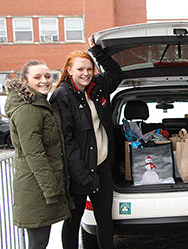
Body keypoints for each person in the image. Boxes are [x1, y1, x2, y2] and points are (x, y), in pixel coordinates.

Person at [49, 36, 123, 249]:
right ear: (69, 70)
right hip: (78, 170)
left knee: (105, 221)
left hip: (101, 165)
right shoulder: (62, 95)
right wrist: (82, 175)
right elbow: (67, 140)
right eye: (80, 69)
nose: (86, 74)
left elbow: (117, 74)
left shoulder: (97, 87)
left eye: (89, 69)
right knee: (73, 221)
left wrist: (96, 51)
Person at [4, 61, 74, 249]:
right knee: (38, 244)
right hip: (36, 190)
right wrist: (52, 191)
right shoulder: (28, 110)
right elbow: (34, 155)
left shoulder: (41, 105)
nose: (44, 81)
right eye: (37, 77)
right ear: (25, 80)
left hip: (42, 186)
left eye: (47, 76)